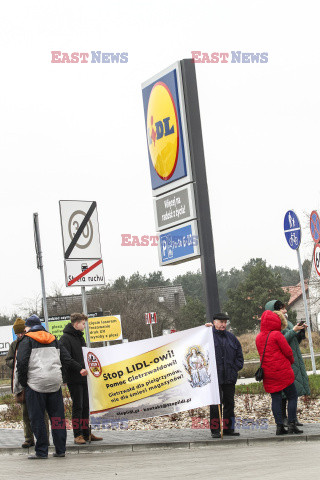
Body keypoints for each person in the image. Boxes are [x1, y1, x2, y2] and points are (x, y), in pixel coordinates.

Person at [16, 314, 76, 459]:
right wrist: (59, 375)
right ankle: (60, 450)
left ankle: (42, 452)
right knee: (57, 418)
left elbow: (22, 363)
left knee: (37, 418)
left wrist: (24, 383)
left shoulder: (26, 340)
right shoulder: (54, 339)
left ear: (28, 327)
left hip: (35, 384)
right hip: (54, 383)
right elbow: (66, 359)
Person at [256, 310, 303, 435]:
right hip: (282, 371)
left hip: (268, 372)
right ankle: (292, 424)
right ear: (275, 321)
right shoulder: (277, 335)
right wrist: (291, 361)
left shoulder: (259, 337)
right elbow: (288, 352)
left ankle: (279, 426)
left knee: (275, 398)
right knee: (292, 396)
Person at [59, 313, 102, 444]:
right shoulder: (65, 339)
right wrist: (79, 368)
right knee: (78, 407)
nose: (84, 326)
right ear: (76, 323)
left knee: (85, 406)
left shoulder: (80, 337)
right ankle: (77, 435)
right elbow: (66, 359)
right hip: (74, 377)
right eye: (83, 323)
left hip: (85, 377)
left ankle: (86, 433)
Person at [265, 300, 310, 426]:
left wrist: (300, 331)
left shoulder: (287, 323)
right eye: (281, 309)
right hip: (284, 361)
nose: (285, 311)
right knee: (284, 393)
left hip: (293, 359)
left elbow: (294, 340)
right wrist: (293, 330)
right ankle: (284, 418)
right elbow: (280, 341)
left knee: (292, 392)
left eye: (284, 308)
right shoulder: (274, 326)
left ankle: (292, 418)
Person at [205, 313, 244, 438]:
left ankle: (228, 429)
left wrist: (235, 368)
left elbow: (239, 356)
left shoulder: (231, 338)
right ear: (214, 322)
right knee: (216, 404)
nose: (223, 324)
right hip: (214, 377)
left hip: (229, 376)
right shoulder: (208, 336)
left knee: (229, 403)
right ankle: (215, 430)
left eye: (225, 322)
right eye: (221, 322)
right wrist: (204, 329)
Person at [6, 318, 37, 448]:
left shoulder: (32, 341)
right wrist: (18, 363)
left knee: (39, 412)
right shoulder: (14, 345)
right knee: (25, 413)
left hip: (35, 381)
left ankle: (42, 438)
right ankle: (28, 438)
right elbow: (8, 360)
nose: (20, 335)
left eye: (21, 332)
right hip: (21, 384)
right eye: (17, 333)